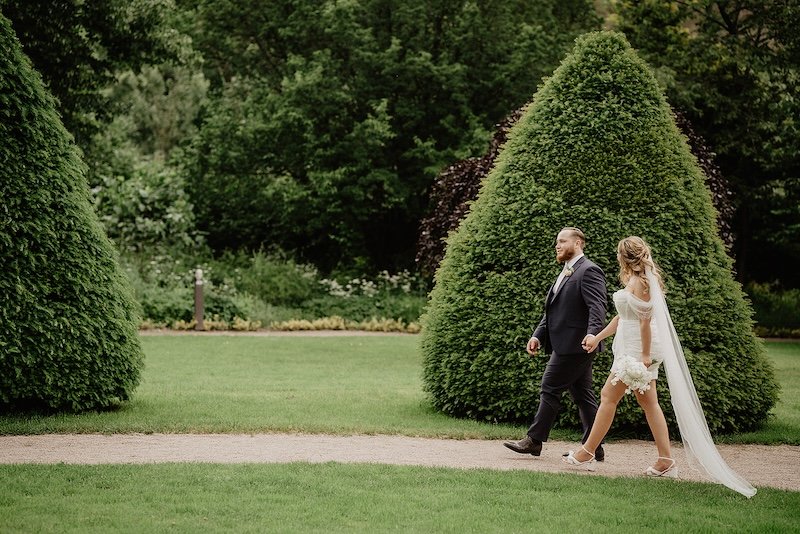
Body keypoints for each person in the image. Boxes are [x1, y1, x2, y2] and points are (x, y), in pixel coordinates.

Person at [563, 236, 757, 498]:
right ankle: (665, 460)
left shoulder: (641, 282)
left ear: (625, 256)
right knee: (648, 401)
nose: (618, 258)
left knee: (608, 396)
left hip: (640, 348)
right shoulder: (634, 280)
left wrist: (643, 356)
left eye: (619, 254)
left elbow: (644, 322)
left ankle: (586, 452)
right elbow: (623, 317)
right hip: (631, 343)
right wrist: (597, 337)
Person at [504, 227, 608, 460]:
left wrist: (593, 334)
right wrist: (537, 335)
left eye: (562, 241)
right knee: (583, 395)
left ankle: (534, 441)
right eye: (556, 242)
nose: (557, 245)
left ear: (578, 243)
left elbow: (597, 307)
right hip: (568, 345)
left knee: (550, 387)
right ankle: (594, 447)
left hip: (577, 345)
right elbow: (553, 311)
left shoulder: (589, 270)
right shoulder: (567, 271)